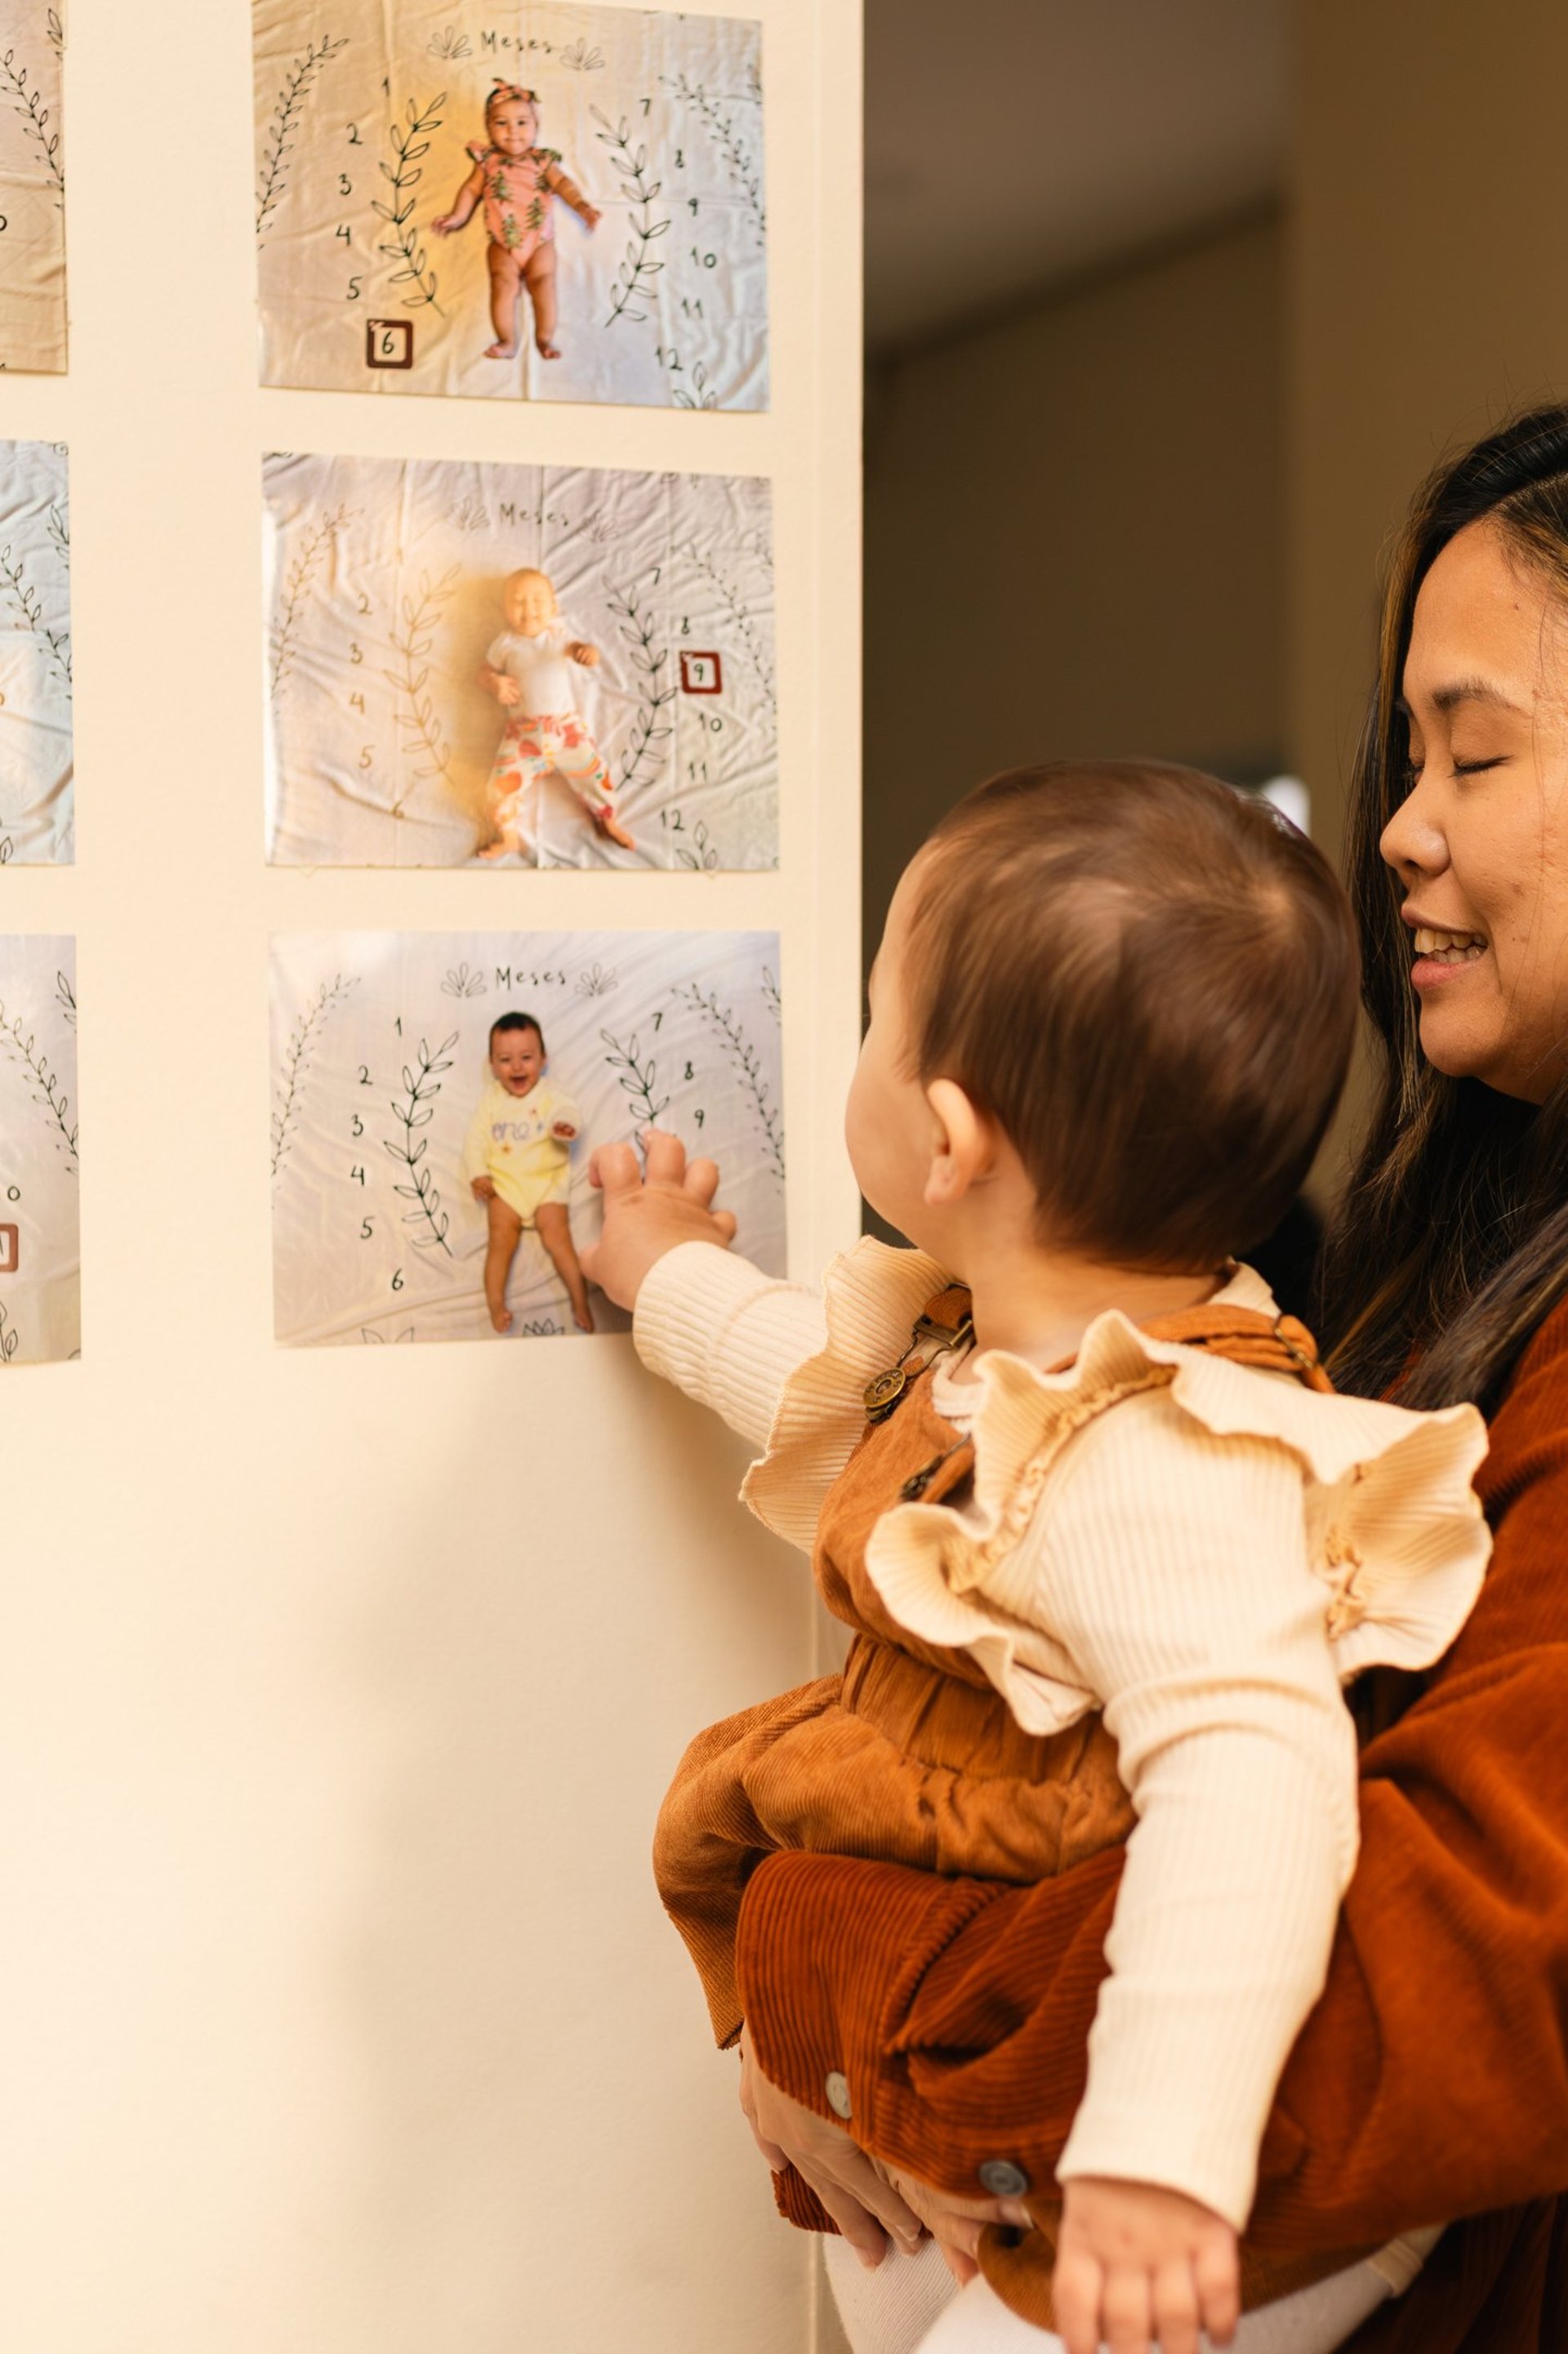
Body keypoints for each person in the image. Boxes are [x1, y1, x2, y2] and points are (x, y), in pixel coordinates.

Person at [608, 403, 1568, 2354]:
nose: (1399, 821)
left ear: (951, 1130)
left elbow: (1393, 1957)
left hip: (1206, 2230)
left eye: (1475, 749)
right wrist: (653, 1273)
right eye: (1408, 758)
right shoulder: (1272, 1324)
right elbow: (828, 1381)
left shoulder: (1176, 1449)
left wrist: (828, 1962)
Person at [431, 82, 600, 361]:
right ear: (489, 127)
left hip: (539, 241)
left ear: (536, 126)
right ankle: (507, 340)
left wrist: (582, 206)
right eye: (502, 123)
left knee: (544, 285)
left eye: (522, 122)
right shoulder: (488, 161)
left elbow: (563, 185)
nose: (513, 131)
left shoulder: (543, 161)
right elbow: (472, 190)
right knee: (502, 284)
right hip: (502, 241)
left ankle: (544, 338)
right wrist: (458, 216)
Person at [474, 567, 635, 858]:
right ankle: (508, 835)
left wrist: (588, 653)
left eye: (537, 600)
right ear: (505, 610)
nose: (529, 608)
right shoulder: (505, 643)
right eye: (518, 601)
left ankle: (607, 819)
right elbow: (482, 674)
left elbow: (582, 650)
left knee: (596, 773)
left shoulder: (557, 636)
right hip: (522, 735)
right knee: (500, 785)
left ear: (553, 607)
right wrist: (495, 682)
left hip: (566, 731)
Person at [462, 1010, 592, 1333]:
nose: (517, 1067)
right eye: (505, 1059)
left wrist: (565, 1125)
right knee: (500, 1242)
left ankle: (579, 1299)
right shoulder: (491, 1100)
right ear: (492, 1064)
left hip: (547, 1183)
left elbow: (569, 1112)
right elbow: (475, 1138)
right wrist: (478, 1173)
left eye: (527, 1058)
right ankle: (495, 1305)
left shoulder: (550, 1094)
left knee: (559, 1239)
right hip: (505, 1186)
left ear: (543, 1059)